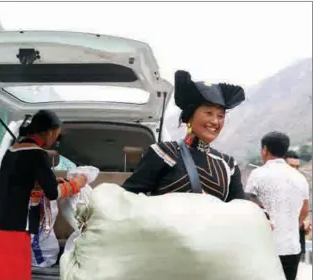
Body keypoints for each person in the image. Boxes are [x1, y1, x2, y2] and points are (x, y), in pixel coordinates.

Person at [0, 110, 87, 280]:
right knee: (11, 273)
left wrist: (53, 181)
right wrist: (77, 184)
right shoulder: (37, 154)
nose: (56, 140)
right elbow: (53, 194)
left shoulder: (12, 150)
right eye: (56, 135)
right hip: (13, 227)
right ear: (49, 132)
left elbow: (21, 180)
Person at [122, 70, 247, 202]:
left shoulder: (228, 165)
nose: (215, 121)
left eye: (220, 116)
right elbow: (127, 199)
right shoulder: (164, 153)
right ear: (189, 117)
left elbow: (240, 208)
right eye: (208, 113)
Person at [246, 132, 309, 280]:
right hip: (292, 248)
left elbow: (247, 207)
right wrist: (291, 226)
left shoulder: (257, 174)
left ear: (265, 150)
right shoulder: (299, 178)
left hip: (265, 248)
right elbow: (304, 210)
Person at [284, 150, 312, 261]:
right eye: (291, 166)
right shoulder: (272, 186)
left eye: (297, 167)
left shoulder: (301, 184)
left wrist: (304, 223)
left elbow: (305, 210)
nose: (295, 170)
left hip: (296, 243)